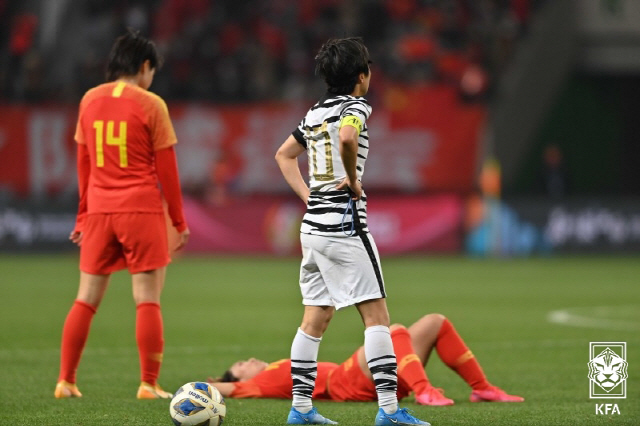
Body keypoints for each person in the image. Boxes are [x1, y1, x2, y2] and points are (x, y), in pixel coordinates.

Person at [274, 37, 429, 425]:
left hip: (312, 230)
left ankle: (301, 409)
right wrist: (352, 181)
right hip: (345, 225)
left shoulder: (313, 112)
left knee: (314, 319)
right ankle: (390, 412)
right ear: (361, 76)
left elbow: (284, 154)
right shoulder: (356, 106)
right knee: (377, 315)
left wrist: (308, 195)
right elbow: (346, 136)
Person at [54, 29, 189, 400]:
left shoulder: (89, 100)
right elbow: (167, 170)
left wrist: (82, 215)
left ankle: (65, 381)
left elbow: (84, 164)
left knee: (85, 298)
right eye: (152, 71)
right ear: (145, 66)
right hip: (140, 209)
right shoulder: (151, 104)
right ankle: (148, 383)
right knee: (147, 296)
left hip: (99, 209)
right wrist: (178, 220)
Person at [209, 314, 524, 406]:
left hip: (364, 376)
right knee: (393, 330)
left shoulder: (271, 369)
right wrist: (194, 390)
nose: (248, 360)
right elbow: (227, 391)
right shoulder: (257, 385)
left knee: (435, 323)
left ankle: (482, 388)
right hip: (348, 383)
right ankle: (424, 389)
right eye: (241, 365)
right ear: (240, 379)